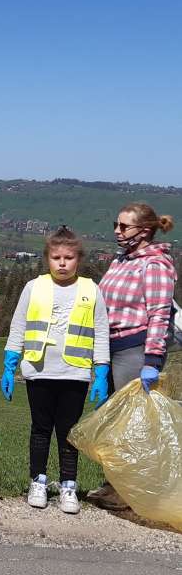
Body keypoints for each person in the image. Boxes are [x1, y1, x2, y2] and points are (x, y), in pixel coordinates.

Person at [0, 226, 110, 514]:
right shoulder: (33, 287)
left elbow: (100, 332)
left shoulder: (91, 289)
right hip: (39, 371)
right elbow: (19, 326)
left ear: (79, 260)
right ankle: (38, 481)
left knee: (68, 433)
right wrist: (10, 364)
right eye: (56, 257)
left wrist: (101, 371)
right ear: (47, 259)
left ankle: (68, 485)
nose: (62, 263)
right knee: (40, 429)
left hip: (74, 373)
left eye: (69, 257)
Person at [89, 202, 176, 509]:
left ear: (144, 230)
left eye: (124, 226)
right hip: (111, 346)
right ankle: (113, 484)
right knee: (115, 421)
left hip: (135, 351)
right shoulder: (121, 260)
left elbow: (159, 314)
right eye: (117, 224)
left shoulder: (154, 265)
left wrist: (152, 361)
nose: (117, 230)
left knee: (133, 423)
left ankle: (131, 492)